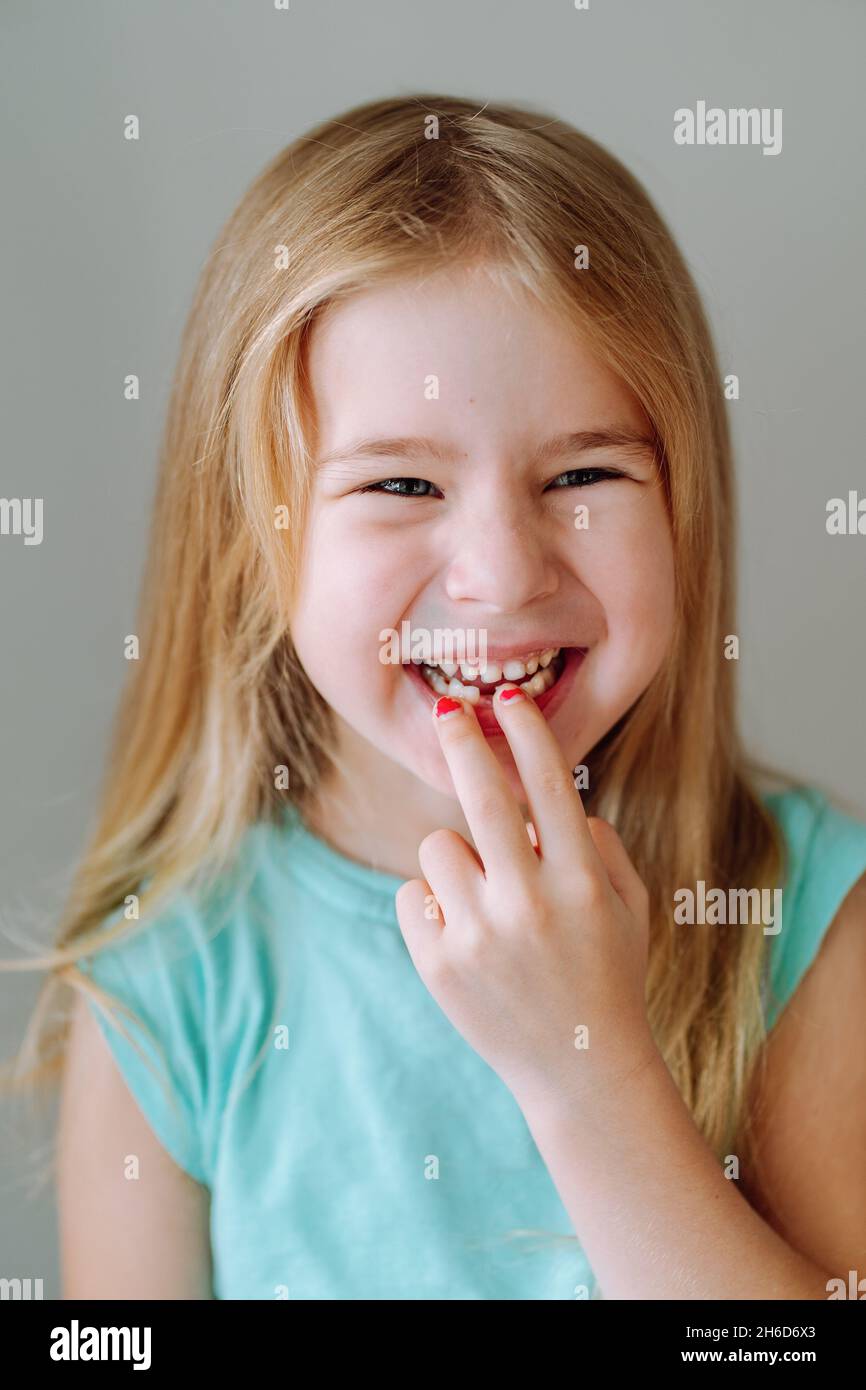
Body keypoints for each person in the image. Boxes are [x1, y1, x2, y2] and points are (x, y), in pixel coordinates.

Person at [11, 94, 866, 1299]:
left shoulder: (804, 920)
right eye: (403, 483)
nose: (503, 572)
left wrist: (589, 1076)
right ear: (255, 541)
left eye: (581, 472)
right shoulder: (167, 989)